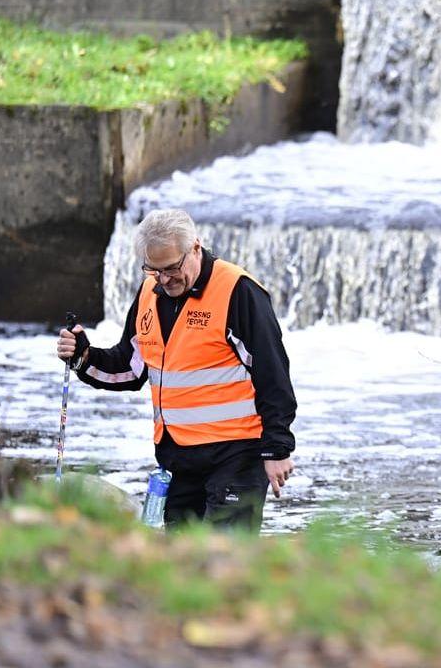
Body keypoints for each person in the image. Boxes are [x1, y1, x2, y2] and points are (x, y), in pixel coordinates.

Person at [55, 209, 296, 532]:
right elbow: (129, 368)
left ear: (195, 248)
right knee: (181, 568)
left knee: (222, 565)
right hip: (179, 463)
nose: (164, 279)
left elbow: (274, 375)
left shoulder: (238, 291)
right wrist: (83, 357)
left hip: (238, 457)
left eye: (172, 268)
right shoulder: (148, 294)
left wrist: (277, 448)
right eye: (153, 270)